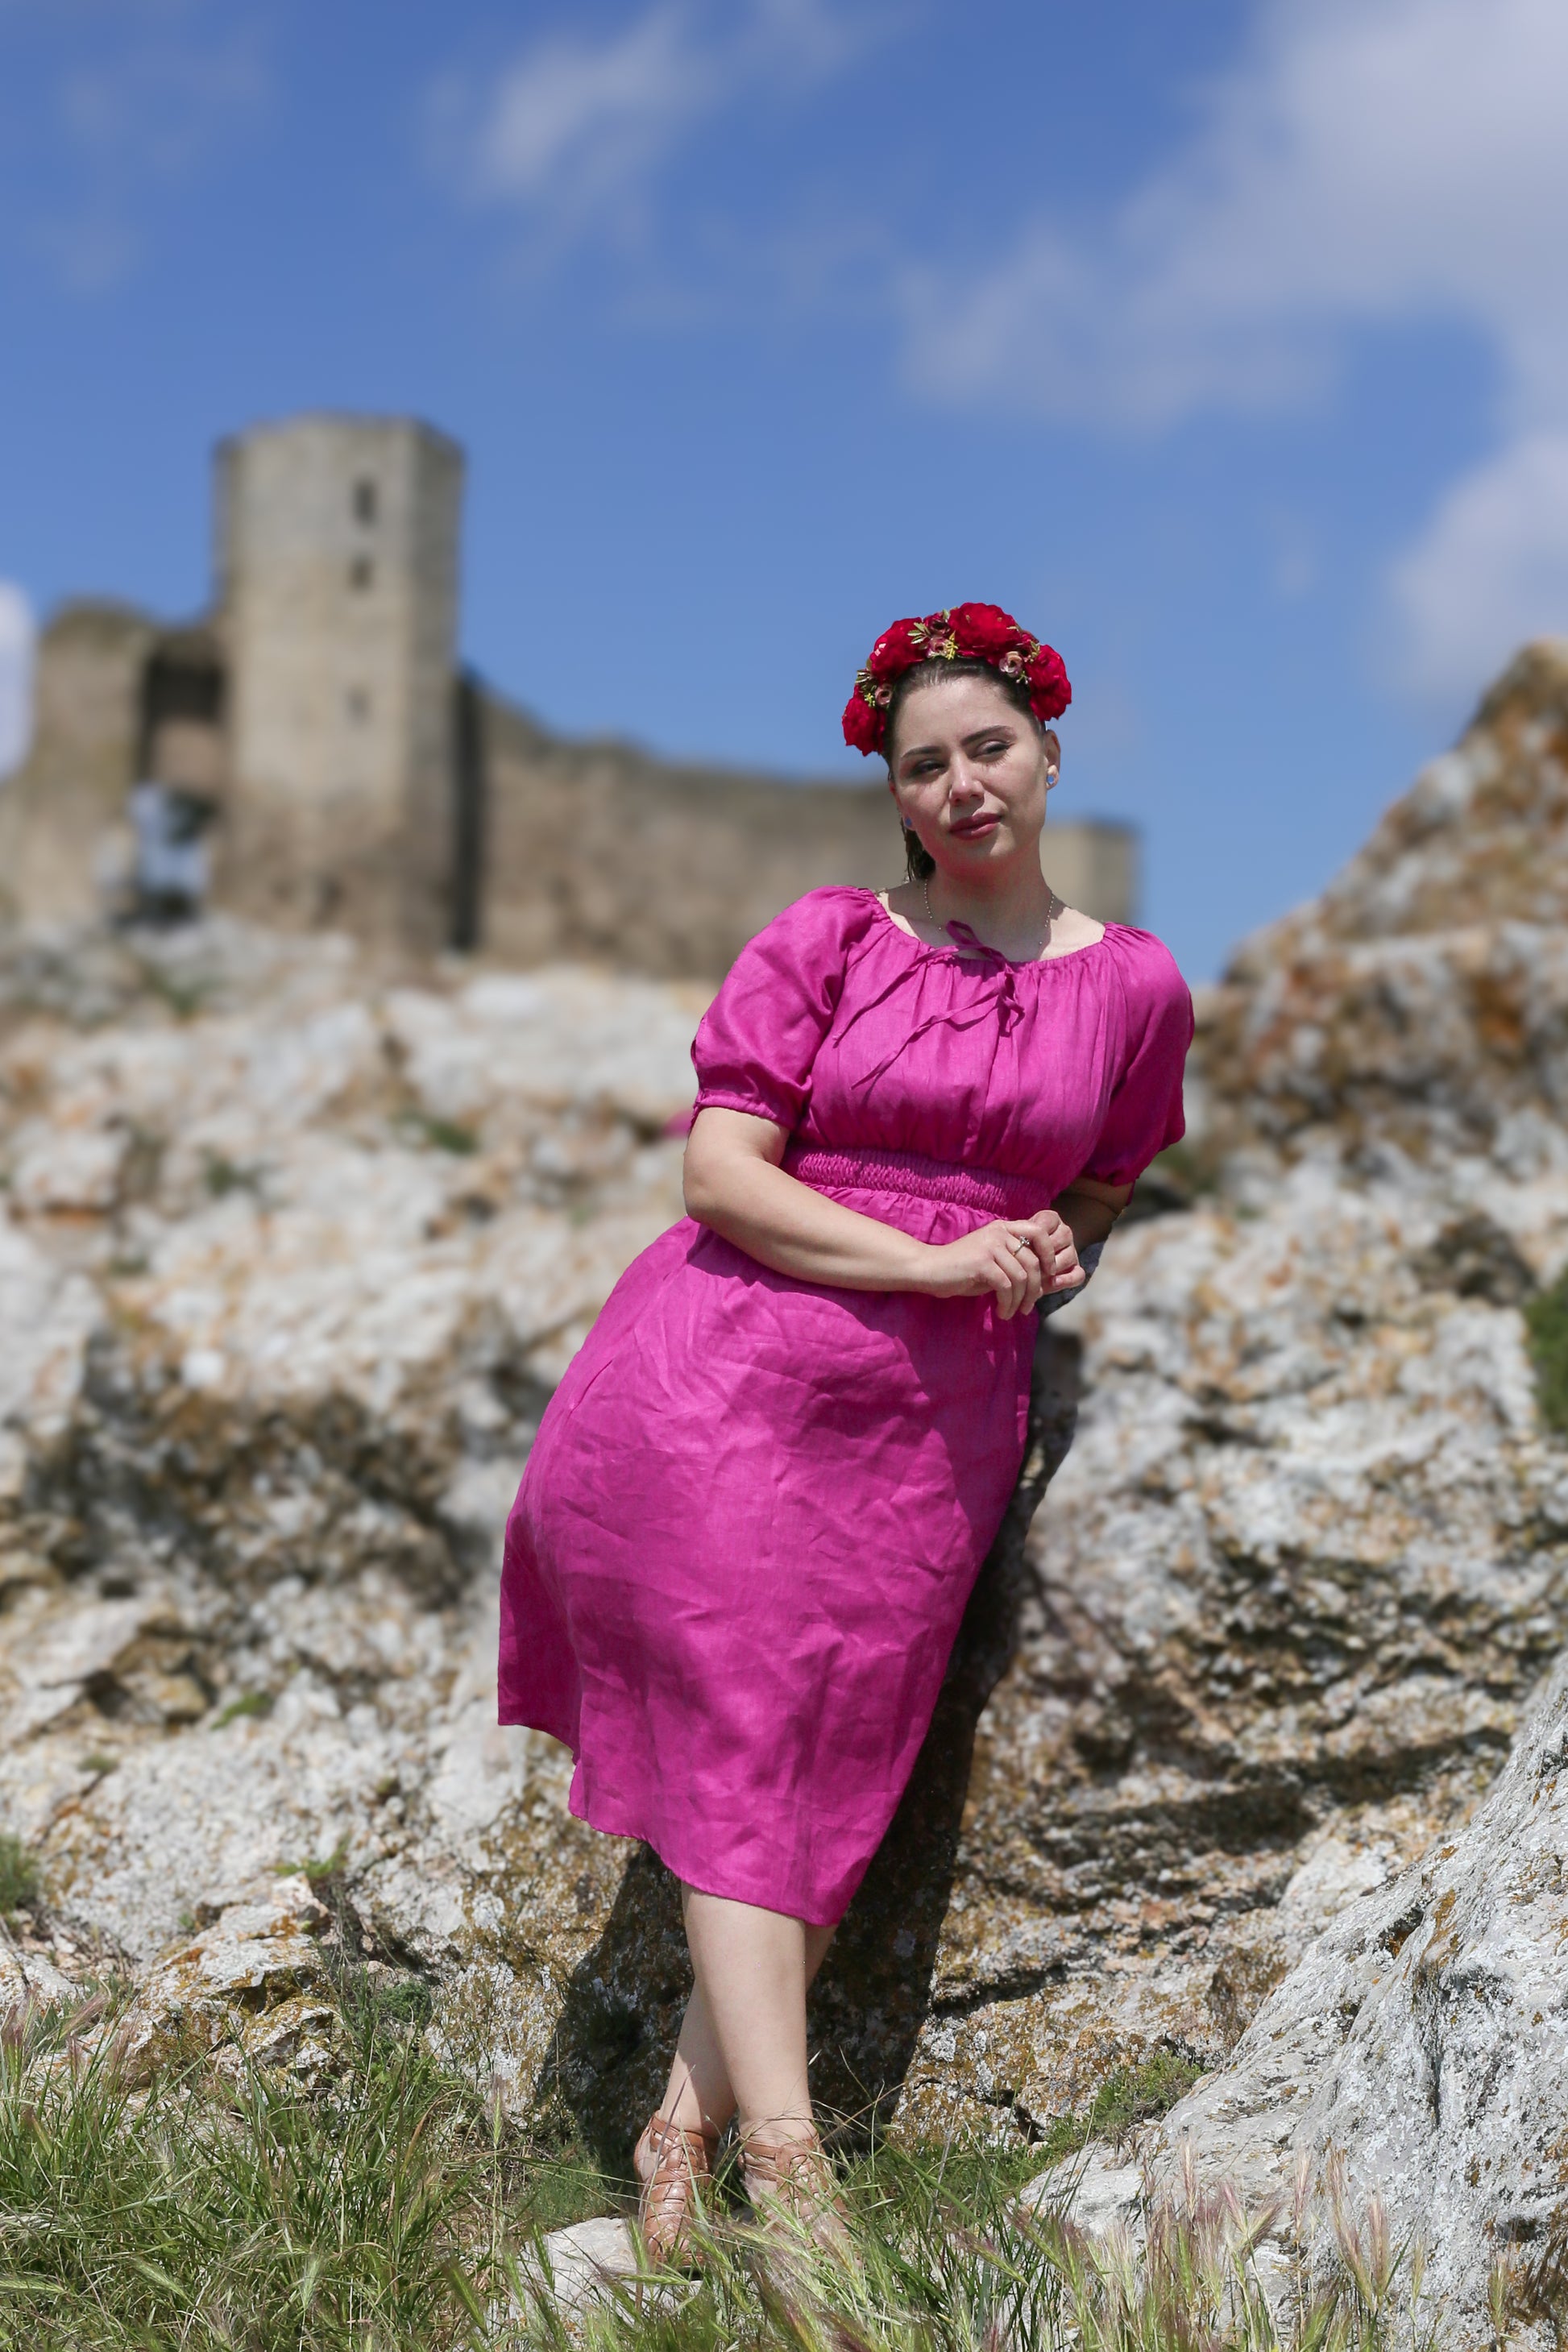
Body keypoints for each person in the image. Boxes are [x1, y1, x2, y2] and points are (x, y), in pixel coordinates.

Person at [498, 604, 1192, 2257]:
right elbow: (720, 1176)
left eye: (987, 749)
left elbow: (1108, 1176)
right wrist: (934, 1258)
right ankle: (791, 2167)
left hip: (933, 1422)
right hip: (730, 1373)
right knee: (754, 1735)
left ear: (1047, 752)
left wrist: (1058, 1241)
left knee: (833, 1764)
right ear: (895, 793)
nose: (961, 786)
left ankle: (678, 2130)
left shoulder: (1138, 987)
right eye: (923, 765)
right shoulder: (825, 938)